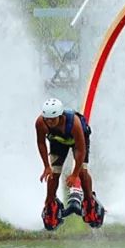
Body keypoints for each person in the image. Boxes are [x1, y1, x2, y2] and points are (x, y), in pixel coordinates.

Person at [35, 98, 104, 230]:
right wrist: (46, 167)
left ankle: (89, 201)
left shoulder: (74, 123)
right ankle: (50, 204)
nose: (49, 122)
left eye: (53, 118)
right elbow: (41, 143)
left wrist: (74, 174)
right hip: (57, 141)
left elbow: (81, 150)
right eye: (47, 118)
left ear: (60, 116)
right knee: (53, 174)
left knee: (83, 172)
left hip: (78, 141)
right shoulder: (40, 123)